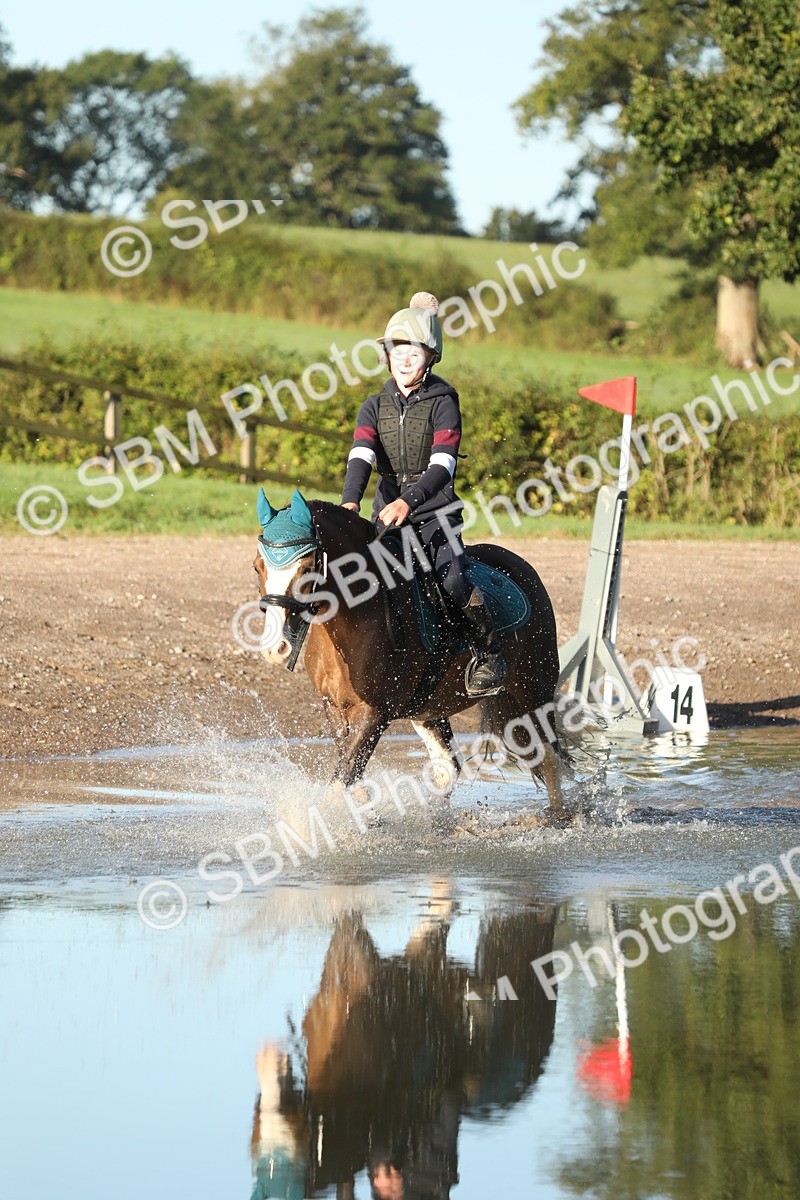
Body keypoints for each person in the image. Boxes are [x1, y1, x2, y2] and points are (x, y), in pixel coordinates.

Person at [341, 291, 506, 694]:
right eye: (397, 350)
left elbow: (442, 466)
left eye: (413, 351)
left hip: (435, 514)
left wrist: (408, 501)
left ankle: (488, 655)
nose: (404, 358)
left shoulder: (444, 402)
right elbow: (361, 457)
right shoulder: (372, 405)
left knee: (451, 581)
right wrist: (350, 500)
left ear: (430, 356)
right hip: (386, 516)